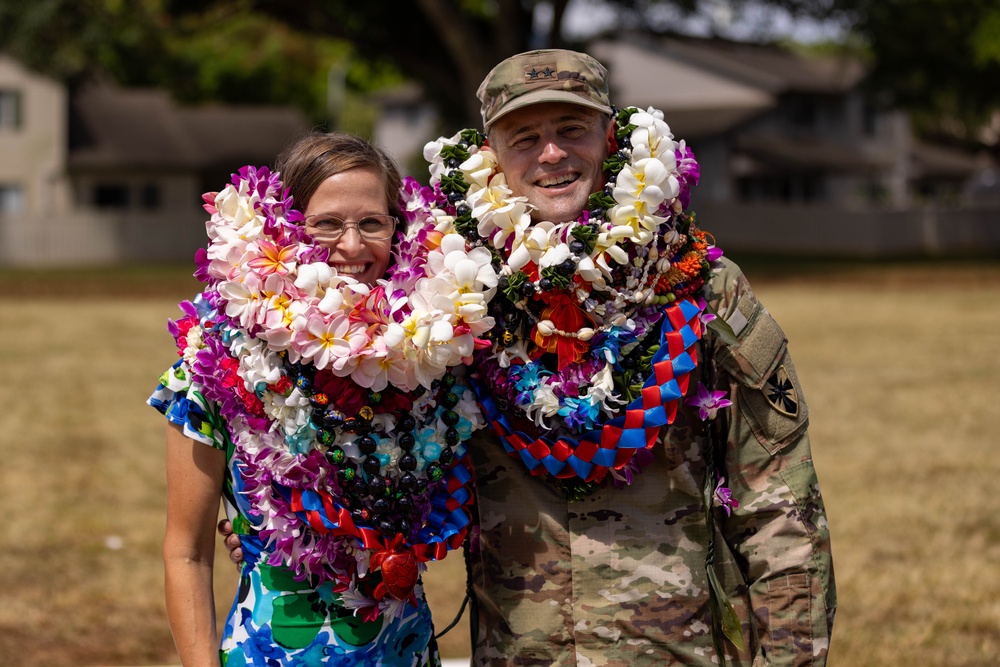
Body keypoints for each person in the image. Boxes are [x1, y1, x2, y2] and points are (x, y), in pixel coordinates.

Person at [226, 50, 837, 667]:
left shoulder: (696, 284)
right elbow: (368, 432)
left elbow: (779, 505)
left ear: (611, 137)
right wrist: (268, 510)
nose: (551, 154)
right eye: (525, 137)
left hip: (675, 650)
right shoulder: (449, 299)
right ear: (492, 154)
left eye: (571, 130)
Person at [151, 132, 487, 666]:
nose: (352, 247)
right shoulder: (217, 364)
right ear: (283, 228)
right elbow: (185, 552)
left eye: (371, 223)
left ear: (398, 232)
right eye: (326, 224)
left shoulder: (431, 362)